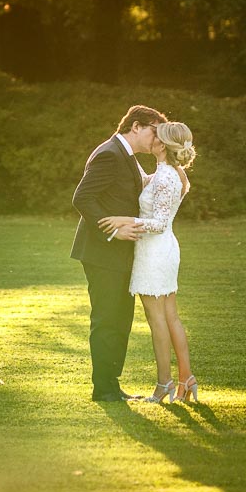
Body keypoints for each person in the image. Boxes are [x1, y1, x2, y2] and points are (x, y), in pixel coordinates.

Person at [69, 104, 168, 402]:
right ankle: (104, 389)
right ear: (135, 126)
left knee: (120, 318)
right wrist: (112, 230)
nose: (156, 138)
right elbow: (82, 198)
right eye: (154, 131)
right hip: (102, 252)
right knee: (107, 318)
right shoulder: (110, 154)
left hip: (121, 254)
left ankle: (111, 385)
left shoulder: (125, 156)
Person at [127, 121, 199, 404]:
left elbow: (157, 223)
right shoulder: (168, 173)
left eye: (157, 135)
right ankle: (186, 378)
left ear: (163, 145)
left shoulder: (168, 177)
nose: (152, 137)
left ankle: (164, 383)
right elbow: (150, 187)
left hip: (155, 252)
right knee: (170, 317)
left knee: (157, 321)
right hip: (162, 249)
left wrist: (125, 222)